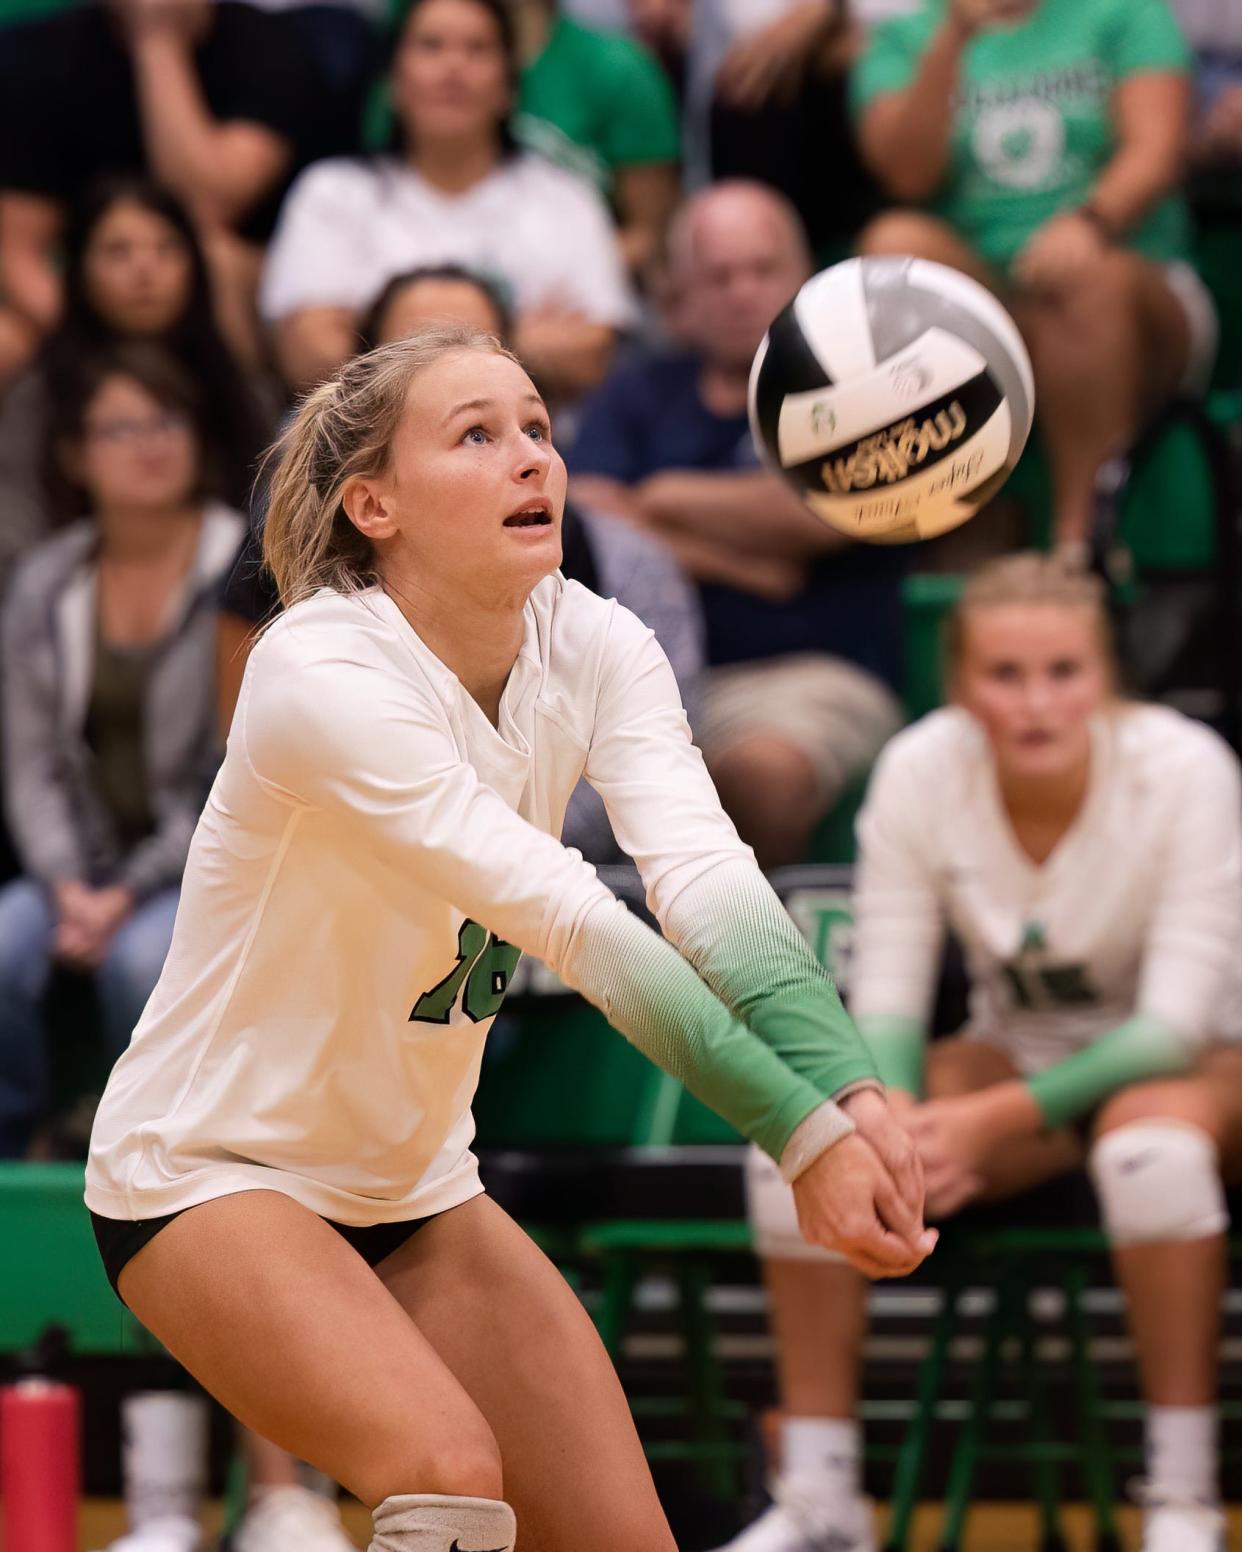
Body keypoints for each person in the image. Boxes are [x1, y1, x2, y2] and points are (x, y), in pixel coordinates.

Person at [85, 324, 935, 1552]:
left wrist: (850, 1087)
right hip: (211, 1171)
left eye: (537, 427)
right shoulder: (318, 669)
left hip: (417, 1183)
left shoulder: (595, 640)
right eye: (477, 434)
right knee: (443, 1471)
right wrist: (797, 1133)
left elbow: (706, 884)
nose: (530, 456)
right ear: (372, 503)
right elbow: (579, 923)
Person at [722, 553, 1242, 1552]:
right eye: (1006, 675)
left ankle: (1183, 1500)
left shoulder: (1186, 769)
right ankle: (824, 1496)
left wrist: (979, 1122)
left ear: (1108, 679)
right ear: (960, 685)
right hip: (1018, 1053)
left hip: (1192, 1064)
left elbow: (1175, 1023)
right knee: (805, 1144)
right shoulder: (922, 768)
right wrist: (897, 1124)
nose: (1037, 702)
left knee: (1153, 1153)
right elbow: (888, 995)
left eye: (1065, 672)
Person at [570, 181, 904, 870]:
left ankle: (757, 957)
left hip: (811, 678)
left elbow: (823, 514)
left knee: (758, 775)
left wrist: (661, 496)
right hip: (648, 678)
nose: (742, 291)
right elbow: (589, 512)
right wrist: (754, 563)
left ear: (805, 277)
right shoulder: (640, 390)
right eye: (718, 276)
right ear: (681, 299)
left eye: (763, 269)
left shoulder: (855, 384)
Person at [852, 0, 1219, 556]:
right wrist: (953, 39)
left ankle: (1080, 544)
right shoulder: (905, 37)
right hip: (995, 295)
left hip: (1133, 281)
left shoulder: (1124, 12)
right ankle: (959, 520)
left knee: (1085, 283)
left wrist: (1090, 223)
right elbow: (906, 173)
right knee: (893, 250)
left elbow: (1157, 150)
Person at [0, 342, 245, 1161]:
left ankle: (149, 1161)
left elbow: (235, 769)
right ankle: (26, 1137)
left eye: (166, 421)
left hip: (207, 865)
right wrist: (69, 885)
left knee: (142, 962)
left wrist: (128, 891)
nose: (149, 443)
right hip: (84, 868)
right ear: (75, 455)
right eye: (121, 427)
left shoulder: (248, 569)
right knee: (3, 945)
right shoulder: (47, 579)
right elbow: (29, 765)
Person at [258, 0, 637, 399]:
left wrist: (380, 333)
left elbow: (591, 355)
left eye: (477, 49)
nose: (453, 67)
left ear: (509, 86)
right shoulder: (332, 193)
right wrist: (513, 337)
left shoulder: (566, 198)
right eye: (431, 46)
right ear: (393, 82)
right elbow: (306, 355)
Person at [0, 0, 376, 374]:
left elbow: (202, 206)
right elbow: (18, 254)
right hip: (96, 284)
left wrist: (157, 42)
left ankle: (237, 422)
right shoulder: (39, 56)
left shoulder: (273, 47)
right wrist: (94, 348)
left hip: (244, 278)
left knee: (210, 258)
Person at [0, 176, 271, 598]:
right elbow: (14, 523)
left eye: (166, 249)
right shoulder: (41, 395)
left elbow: (271, 516)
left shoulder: (238, 389)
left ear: (194, 267)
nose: (145, 270)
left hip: (225, 602)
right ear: (80, 269)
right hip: (62, 610)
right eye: (117, 251)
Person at [511, 0, 682, 277]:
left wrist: (548, 275)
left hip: (587, 294)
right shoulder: (434, 67)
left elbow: (653, 235)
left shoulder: (618, 68)